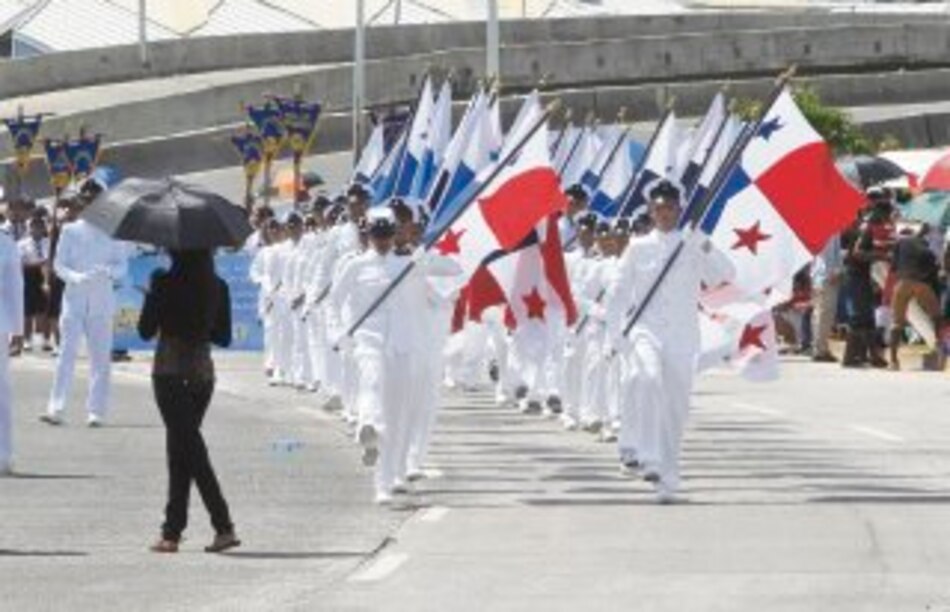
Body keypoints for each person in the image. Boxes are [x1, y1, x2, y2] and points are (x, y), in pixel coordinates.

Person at [605, 181, 734, 503]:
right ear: (651, 211)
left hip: (681, 335)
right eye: (659, 208)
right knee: (647, 378)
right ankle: (646, 453)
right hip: (645, 331)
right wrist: (616, 333)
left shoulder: (691, 242)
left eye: (670, 208)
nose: (664, 214)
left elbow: (722, 275)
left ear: (679, 210)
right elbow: (618, 291)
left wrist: (702, 242)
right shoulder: (637, 246)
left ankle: (668, 475)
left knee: (675, 407)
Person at [138, 249, 240, 554]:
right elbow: (223, 337)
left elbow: (145, 331)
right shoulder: (218, 285)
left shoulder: (162, 280)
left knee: (189, 450)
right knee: (182, 448)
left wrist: (152, 297)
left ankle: (223, 525)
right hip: (202, 374)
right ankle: (172, 531)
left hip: (170, 371)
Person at [41, 192, 128, 427]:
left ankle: (96, 411)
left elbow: (123, 265)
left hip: (101, 300)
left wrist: (109, 272)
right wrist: (76, 277)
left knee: (100, 358)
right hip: (74, 299)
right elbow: (59, 264)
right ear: (82, 206)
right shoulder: (70, 231)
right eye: (88, 204)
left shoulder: (113, 232)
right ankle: (56, 408)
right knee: (66, 354)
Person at [889, 222, 943, 371]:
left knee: (897, 323)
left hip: (903, 282)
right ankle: (938, 351)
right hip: (922, 284)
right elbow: (934, 279)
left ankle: (893, 361)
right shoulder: (929, 251)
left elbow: (893, 268)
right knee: (937, 317)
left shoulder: (902, 242)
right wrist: (935, 300)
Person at [1, 222, 25, 476]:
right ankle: (3, 455)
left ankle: (4, 454)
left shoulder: (6, 243)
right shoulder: (6, 243)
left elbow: (13, 289)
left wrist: (18, 330)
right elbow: (14, 290)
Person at [18, 214, 51, 352]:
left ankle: (45, 339)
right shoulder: (22, 243)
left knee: (44, 310)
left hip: (45, 275)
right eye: (34, 226)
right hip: (28, 276)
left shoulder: (48, 242)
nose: (37, 228)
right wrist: (38, 263)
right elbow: (20, 263)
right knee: (27, 311)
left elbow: (51, 259)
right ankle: (26, 339)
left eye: (40, 226)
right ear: (29, 228)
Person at [811, 233, 844, 362]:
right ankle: (820, 350)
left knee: (819, 314)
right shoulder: (830, 232)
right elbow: (827, 255)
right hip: (826, 276)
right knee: (825, 314)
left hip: (819, 276)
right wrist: (833, 271)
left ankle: (819, 347)